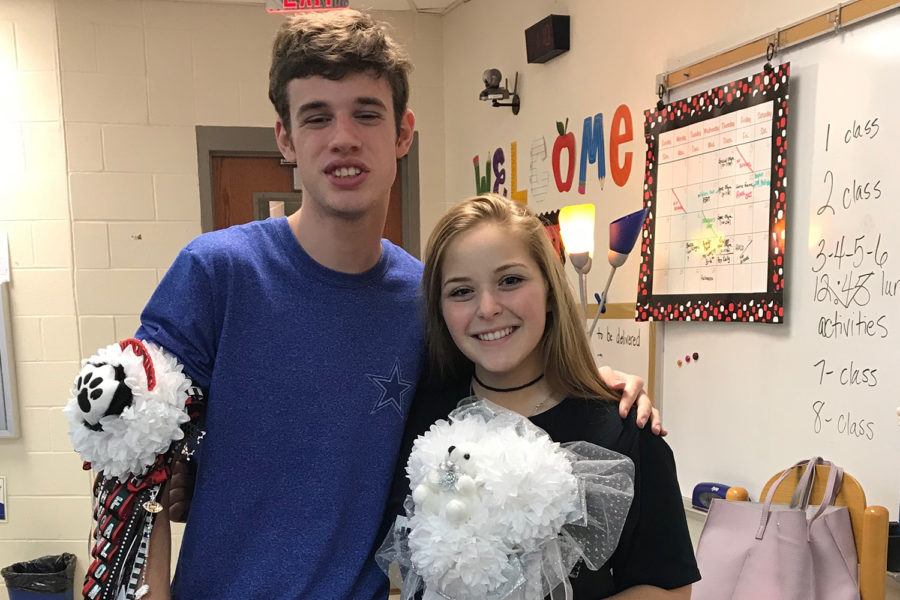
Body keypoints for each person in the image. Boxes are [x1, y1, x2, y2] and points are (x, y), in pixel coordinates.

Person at [119, 10, 659, 600]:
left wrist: (590, 379)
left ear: (402, 133)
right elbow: (129, 453)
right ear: (285, 140)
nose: (343, 137)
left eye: (365, 113)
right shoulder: (216, 272)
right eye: (316, 116)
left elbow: (497, 385)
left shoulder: (426, 297)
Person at [385, 194, 699, 599]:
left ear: (550, 291)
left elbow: (670, 591)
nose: (488, 307)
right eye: (461, 291)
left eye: (510, 281)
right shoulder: (419, 418)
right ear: (440, 310)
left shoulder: (625, 429)